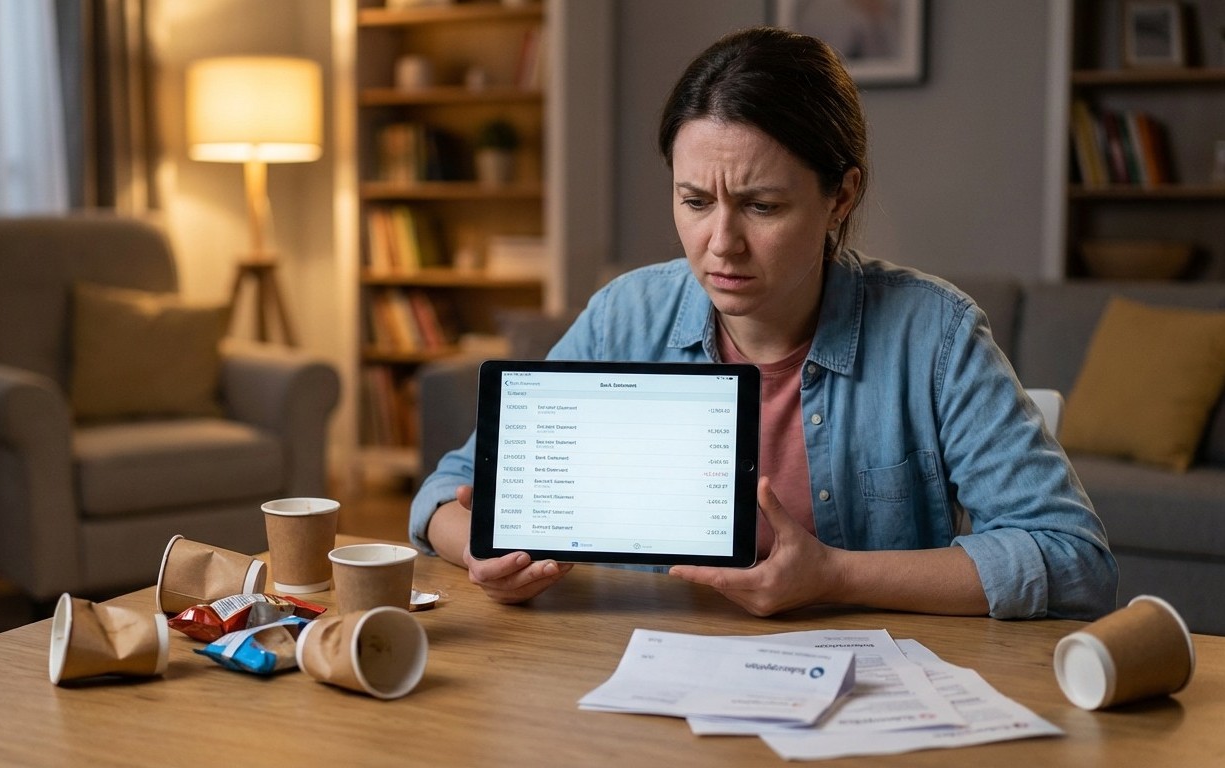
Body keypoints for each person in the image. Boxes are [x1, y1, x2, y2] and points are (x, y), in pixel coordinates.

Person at [409, 26, 1117, 621]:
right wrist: (478, 548)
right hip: (643, 691)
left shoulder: (933, 335)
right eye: (692, 200)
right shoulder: (626, 314)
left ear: (841, 196)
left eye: (762, 206)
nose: (720, 243)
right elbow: (446, 492)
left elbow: (1072, 558)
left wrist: (834, 575)